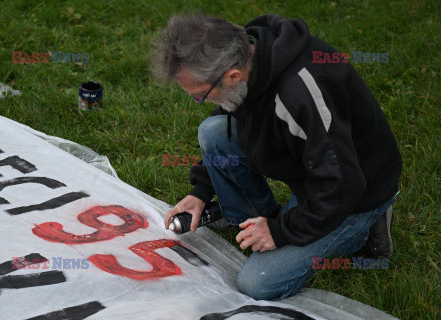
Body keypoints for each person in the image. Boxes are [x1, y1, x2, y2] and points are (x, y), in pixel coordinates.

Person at [152, 14, 402, 300]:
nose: (202, 102)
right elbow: (234, 112)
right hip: (317, 173)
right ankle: (253, 220)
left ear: (232, 76)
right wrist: (202, 190)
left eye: (200, 95)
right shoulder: (248, 55)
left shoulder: (301, 95)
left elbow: (343, 185)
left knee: (258, 283)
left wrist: (280, 231)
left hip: (353, 195)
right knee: (214, 131)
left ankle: (367, 227)